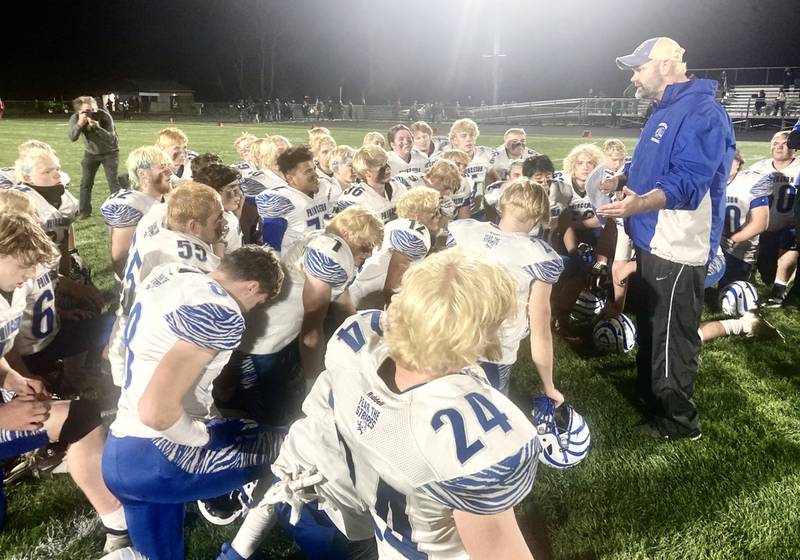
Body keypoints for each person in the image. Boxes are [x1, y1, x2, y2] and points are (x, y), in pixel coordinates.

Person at [101, 247, 286, 560]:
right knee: (296, 448)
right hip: (161, 455)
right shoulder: (220, 311)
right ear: (252, 286)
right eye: (259, 301)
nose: (253, 310)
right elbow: (156, 412)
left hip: (119, 453)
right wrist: (203, 437)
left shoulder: (170, 274)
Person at [597, 36, 735, 440]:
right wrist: (624, 179)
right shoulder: (666, 108)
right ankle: (650, 395)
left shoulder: (703, 111)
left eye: (638, 68)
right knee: (653, 323)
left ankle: (678, 419)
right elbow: (652, 165)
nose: (633, 77)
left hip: (678, 242)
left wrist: (635, 207)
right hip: (651, 236)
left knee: (673, 333)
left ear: (665, 65)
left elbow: (689, 183)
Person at [0, 210, 129, 554]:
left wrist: (16, 377)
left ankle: (119, 529)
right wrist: (4, 417)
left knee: (83, 417)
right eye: (23, 265)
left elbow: (3, 350)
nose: (30, 275)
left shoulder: (6, 292)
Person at [447, 179, 565, 399]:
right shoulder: (538, 255)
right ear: (539, 216)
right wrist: (549, 385)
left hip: (449, 337)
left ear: (502, 205)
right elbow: (540, 330)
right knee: (489, 408)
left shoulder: (465, 231)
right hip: (494, 350)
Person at [106, 182, 226, 388]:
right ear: (193, 227)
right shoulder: (196, 261)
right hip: (155, 351)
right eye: (218, 219)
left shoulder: (154, 218)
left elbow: (172, 203)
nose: (224, 223)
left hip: (126, 331)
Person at [100, 147, 173, 280]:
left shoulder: (166, 196)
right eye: (162, 167)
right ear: (142, 174)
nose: (170, 172)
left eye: (168, 166)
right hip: (142, 279)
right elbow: (121, 258)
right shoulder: (130, 204)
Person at [748, 131, 800, 304]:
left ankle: (779, 290)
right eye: (775, 142)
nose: (779, 146)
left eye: (784, 143)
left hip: (790, 226)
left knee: (791, 235)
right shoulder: (758, 168)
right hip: (765, 229)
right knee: (767, 275)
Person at [254, 145, 330, 254]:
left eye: (314, 169)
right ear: (290, 178)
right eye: (308, 171)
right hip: (294, 265)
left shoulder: (324, 187)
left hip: (322, 255)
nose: (315, 174)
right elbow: (272, 249)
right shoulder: (281, 199)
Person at [68, 96, 120, 218]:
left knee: (113, 183)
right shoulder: (76, 118)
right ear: (79, 111)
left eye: (92, 109)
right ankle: (84, 212)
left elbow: (112, 139)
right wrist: (80, 124)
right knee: (86, 183)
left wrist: (98, 128)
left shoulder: (104, 116)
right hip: (91, 153)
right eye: (86, 111)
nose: (90, 113)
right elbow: (72, 137)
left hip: (110, 152)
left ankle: (118, 209)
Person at [337, 145, 408, 224]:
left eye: (386, 163)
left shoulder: (398, 187)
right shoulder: (355, 199)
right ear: (366, 172)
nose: (387, 168)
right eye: (381, 166)